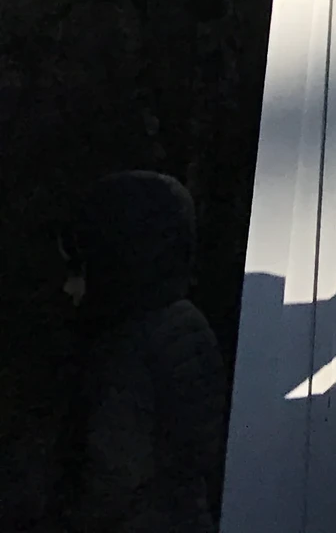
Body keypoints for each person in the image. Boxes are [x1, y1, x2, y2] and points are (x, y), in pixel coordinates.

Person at [63, 172, 224, 533]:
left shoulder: (130, 345)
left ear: (115, 260)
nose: (69, 287)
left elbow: (113, 475)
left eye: (80, 268)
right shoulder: (181, 323)